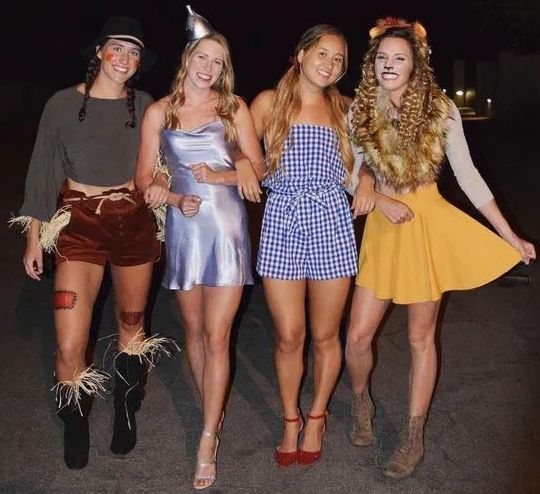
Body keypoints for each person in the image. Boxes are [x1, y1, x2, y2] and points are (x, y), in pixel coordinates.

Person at [345, 17, 536, 479]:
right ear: (373, 64)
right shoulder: (359, 111)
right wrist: (376, 190)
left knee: (420, 338)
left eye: (400, 59)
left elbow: (468, 177)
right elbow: (349, 174)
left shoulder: (440, 109)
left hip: (426, 223)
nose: (390, 66)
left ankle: (413, 435)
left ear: (416, 65)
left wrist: (510, 235)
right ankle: (361, 401)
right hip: (384, 228)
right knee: (356, 338)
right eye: (383, 59)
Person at [12, 16, 172, 469]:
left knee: (132, 325)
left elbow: (166, 157)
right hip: (79, 226)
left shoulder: (146, 105)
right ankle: (75, 421)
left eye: (134, 52)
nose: (125, 58)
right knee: (68, 343)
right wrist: (32, 238)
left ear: (139, 64)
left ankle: (126, 408)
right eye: (117, 48)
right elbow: (43, 171)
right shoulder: (62, 103)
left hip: (134, 224)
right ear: (99, 52)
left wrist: (161, 176)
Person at [135, 6, 264, 490]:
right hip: (186, 226)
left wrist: (232, 172)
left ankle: (208, 436)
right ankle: (213, 400)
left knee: (217, 334)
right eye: (202, 58)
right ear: (188, 58)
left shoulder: (234, 108)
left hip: (227, 227)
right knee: (192, 328)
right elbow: (143, 177)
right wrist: (170, 196)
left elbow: (261, 165)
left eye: (218, 62)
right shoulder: (158, 112)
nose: (209, 68)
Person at [250, 24, 357, 468]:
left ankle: (317, 417)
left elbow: (361, 170)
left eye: (338, 60)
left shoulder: (346, 110)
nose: (330, 64)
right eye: (323, 53)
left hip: (331, 219)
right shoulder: (268, 102)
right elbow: (230, 145)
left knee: (326, 334)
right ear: (301, 53)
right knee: (290, 335)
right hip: (282, 219)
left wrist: (368, 180)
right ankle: (290, 418)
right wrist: (240, 161)